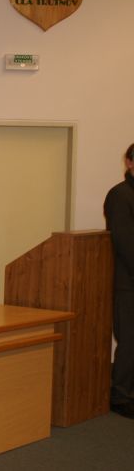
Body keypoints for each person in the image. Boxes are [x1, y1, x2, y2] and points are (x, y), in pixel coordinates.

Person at [105, 143, 134, 419]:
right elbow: (125, 243)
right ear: (129, 162)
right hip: (128, 282)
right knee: (129, 340)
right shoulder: (120, 195)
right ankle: (120, 396)